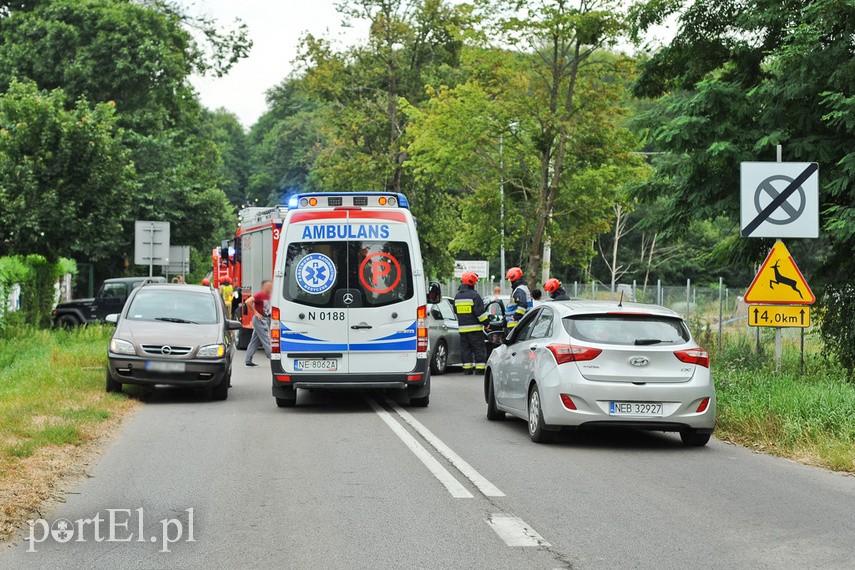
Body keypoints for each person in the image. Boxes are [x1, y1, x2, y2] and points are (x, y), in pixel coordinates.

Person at [454, 272, 489, 375]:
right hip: (475, 329)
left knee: (466, 349)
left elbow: (456, 311)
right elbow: (480, 313)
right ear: (472, 283)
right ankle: (479, 369)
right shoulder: (474, 295)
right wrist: (486, 323)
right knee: (479, 349)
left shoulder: (457, 296)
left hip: (462, 329)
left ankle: (467, 369)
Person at [245, 280, 273, 367]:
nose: (270, 287)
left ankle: (248, 361)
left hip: (266, 319)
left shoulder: (269, 295)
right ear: (264, 287)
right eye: (268, 286)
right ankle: (272, 357)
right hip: (260, 320)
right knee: (266, 339)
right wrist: (256, 313)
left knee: (254, 341)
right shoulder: (260, 294)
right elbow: (248, 301)